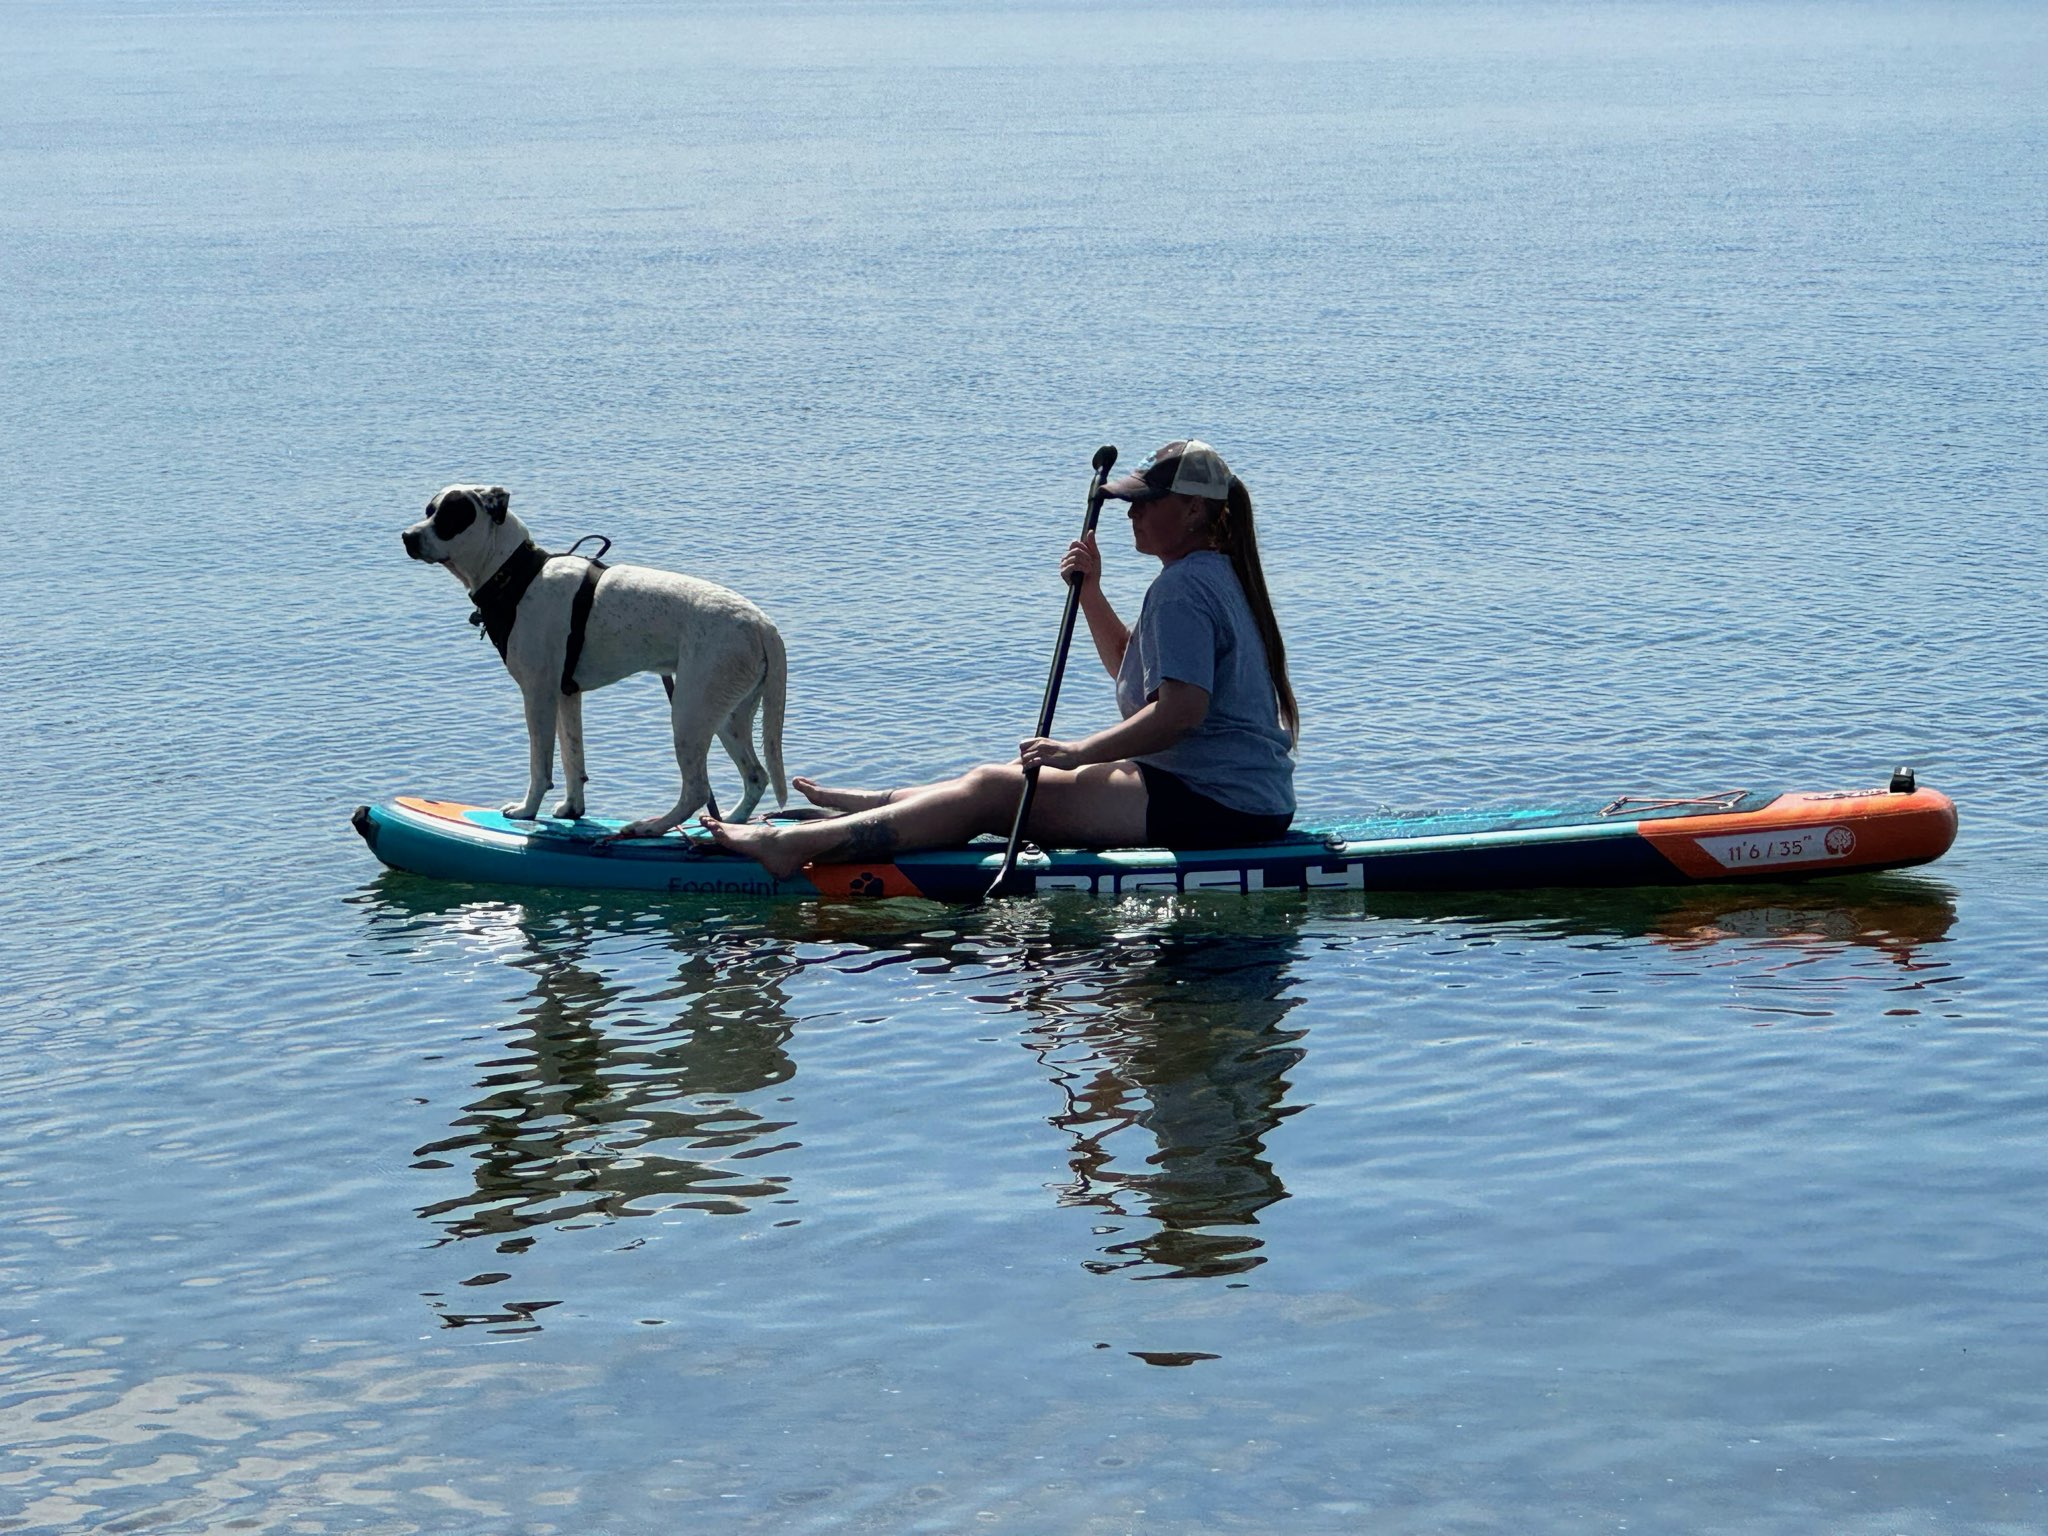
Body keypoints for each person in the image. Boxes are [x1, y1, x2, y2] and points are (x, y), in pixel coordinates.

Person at [705, 439, 1298, 878]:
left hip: (1214, 800)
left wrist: (1077, 751)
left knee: (996, 792)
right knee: (997, 783)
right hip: (1230, 793)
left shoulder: (1182, 588)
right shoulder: (1208, 576)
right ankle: (874, 807)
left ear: (1194, 511)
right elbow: (1131, 665)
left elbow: (1181, 712)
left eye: (1147, 502)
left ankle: (796, 849)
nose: (1131, 512)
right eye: (1130, 502)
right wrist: (1091, 591)